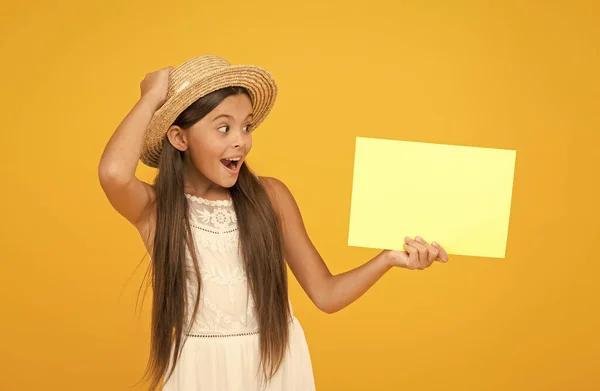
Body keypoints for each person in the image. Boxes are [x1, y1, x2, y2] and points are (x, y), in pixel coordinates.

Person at [98, 55, 450, 391]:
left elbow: (326, 295)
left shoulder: (270, 197)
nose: (241, 140)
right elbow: (113, 174)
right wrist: (151, 98)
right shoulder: (159, 209)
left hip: (274, 365)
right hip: (200, 372)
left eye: (246, 126)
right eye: (224, 127)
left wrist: (388, 258)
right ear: (179, 138)